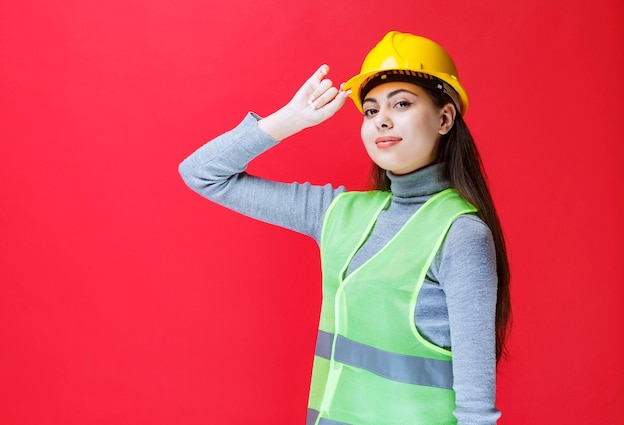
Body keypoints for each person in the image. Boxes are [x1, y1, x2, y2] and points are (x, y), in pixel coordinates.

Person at [179, 31, 511, 425]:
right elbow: (202, 174)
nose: (382, 119)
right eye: (370, 111)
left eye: (401, 103)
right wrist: (290, 119)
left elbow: (477, 411)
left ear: (444, 118)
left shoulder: (460, 235)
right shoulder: (337, 213)